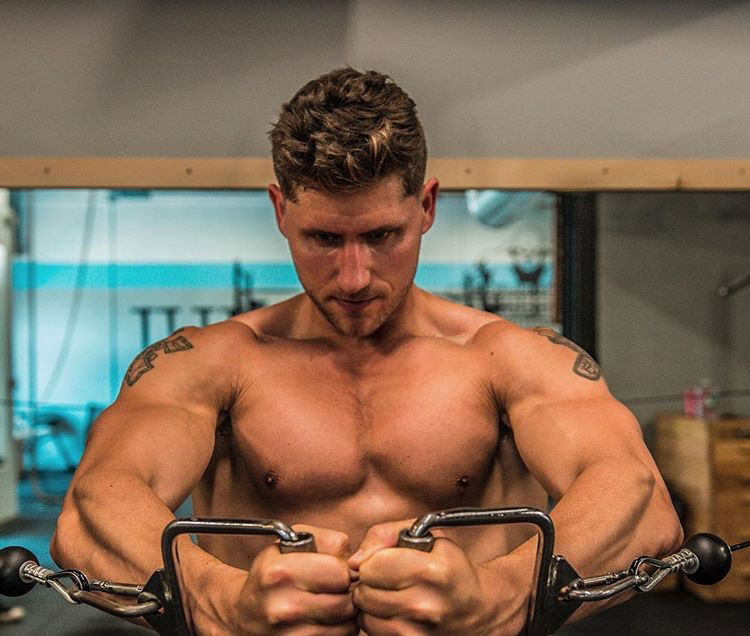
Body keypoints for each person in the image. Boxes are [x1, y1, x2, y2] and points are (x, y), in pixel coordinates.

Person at [51, 68, 682, 635]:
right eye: (324, 237)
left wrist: (498, 595)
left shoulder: (509, 357)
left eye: (383, 235)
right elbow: (95, 507)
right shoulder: (215, 361)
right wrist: (220, 599)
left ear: (426, 206)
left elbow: (638, 500)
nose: (354, 276)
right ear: (280, 211)